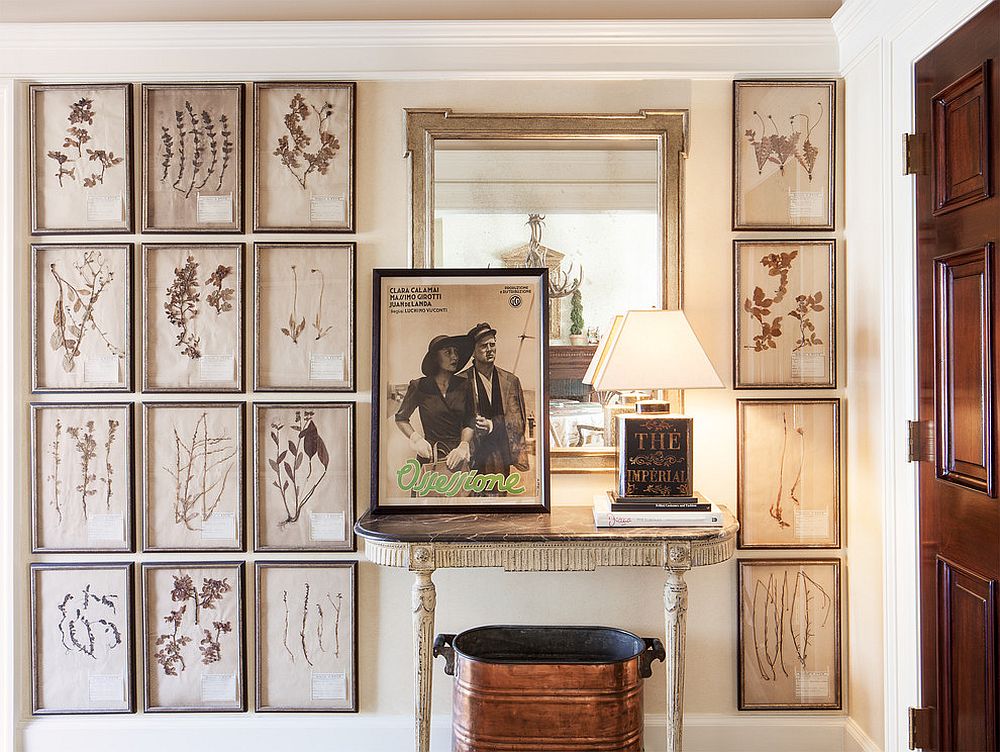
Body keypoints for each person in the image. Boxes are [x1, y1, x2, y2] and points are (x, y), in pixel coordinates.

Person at [458, 322, 529, 483]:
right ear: (473, 352)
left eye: (492, 344)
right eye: (484, 346)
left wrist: (492, 424)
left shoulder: (510, 381)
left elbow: (518, 421)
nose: (490, 349)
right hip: (471, 457)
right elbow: (454, 420)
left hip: (500, 456)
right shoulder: (460, 382)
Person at [394, 333, 475, 471]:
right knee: (428, 492)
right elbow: (401, 418)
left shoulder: (465, 385)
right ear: (435, 358)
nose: (454, 356)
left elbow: (470, 421)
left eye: (456, 352)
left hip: (457, 457)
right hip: (429, 456)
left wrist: (463, 445)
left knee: (461, 492)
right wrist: (416, 439)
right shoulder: (419, 386)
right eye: (448, 352)